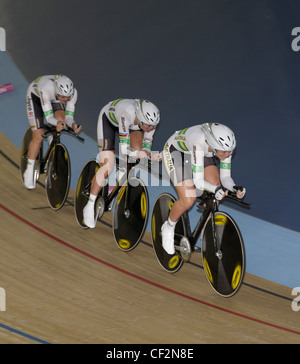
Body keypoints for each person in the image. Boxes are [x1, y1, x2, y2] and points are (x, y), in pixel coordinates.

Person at [161, 122, 246, 255]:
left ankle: (207, 234)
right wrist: (217, 190)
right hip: (176, 152)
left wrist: (234, 188)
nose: (227, 155)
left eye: (230, 151)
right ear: (214, 145)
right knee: (188, 198)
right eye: (224, 152)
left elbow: (225, 179)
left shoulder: (224, 149)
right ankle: (168, 227)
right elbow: (198, 181)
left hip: (201, 154)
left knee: (216, 189)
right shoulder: (198, 143)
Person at [83, 98, 160, 228]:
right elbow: (124, 149)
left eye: (153, 126)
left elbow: (146, 144)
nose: (151, 128)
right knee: (107, 166)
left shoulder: (150, 123)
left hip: (131, 126)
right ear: (141, 118)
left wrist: (146, 153)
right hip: (109, 121)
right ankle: (89, 205)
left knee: (136, 156)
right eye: (148, 125)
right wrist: (138, 153)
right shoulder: (127, 113)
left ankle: (116, 180)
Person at [23, 74, 82, 189]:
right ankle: (29, 170)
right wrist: (57, 124)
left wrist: (74, 124)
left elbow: (69, 118)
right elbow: (49, 118)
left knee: (61, 120)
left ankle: (52, 137)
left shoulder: (72, 93)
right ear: (57, 91)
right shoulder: (46, 89)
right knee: (38, 136)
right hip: (35, 97)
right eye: (63, 97)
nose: (66, 100)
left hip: (53, 98)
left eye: (68, 97)